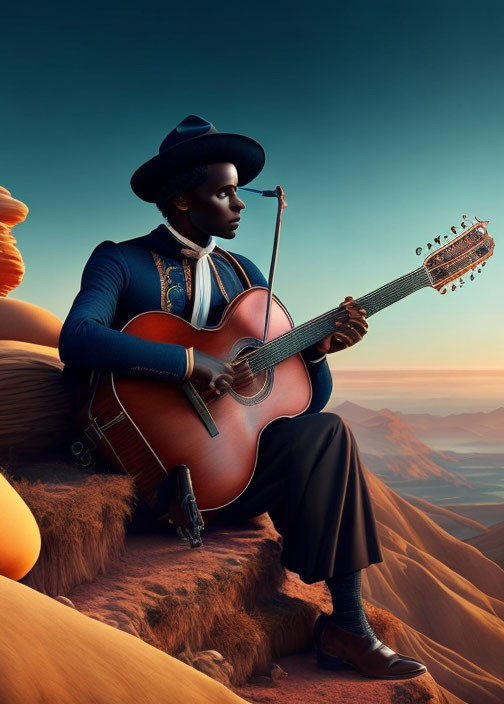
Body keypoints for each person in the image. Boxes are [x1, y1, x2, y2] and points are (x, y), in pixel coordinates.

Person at [58, 115, 427, 680]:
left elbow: (306, 400)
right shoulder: (120, 261)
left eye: (239, 191)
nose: (241, 203)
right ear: (182, 199)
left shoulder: (245, 275)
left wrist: (320, 351)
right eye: (225, 192)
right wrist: (188, 361)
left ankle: (347, 625)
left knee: (328, 434)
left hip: (233, 475)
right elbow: (77, 338)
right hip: (155, 479)